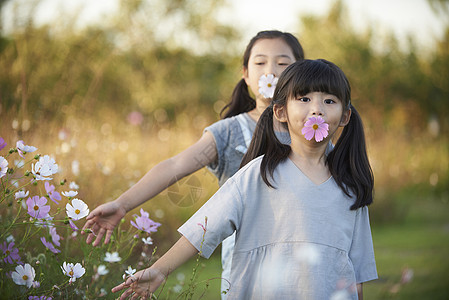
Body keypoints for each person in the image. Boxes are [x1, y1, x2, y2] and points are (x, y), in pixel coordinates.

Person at [111, 59, 378, 300]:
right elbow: (205, 227)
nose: (317, 110)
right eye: (304, 99)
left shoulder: (350, 187)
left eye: (329, 101)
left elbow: (356, 268)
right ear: (280, 112)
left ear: (345, 116)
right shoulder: (258, 174)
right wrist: (160, 270)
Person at [81, 30, 305, 297]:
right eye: (260, 62)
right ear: (245, 73)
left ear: (301, 72)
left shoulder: (314, 130)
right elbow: (175, 166)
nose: (271, 71)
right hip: (247, 268)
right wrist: (122, 204)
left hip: (306, 259)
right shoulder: (228, 132)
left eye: (283, 63)